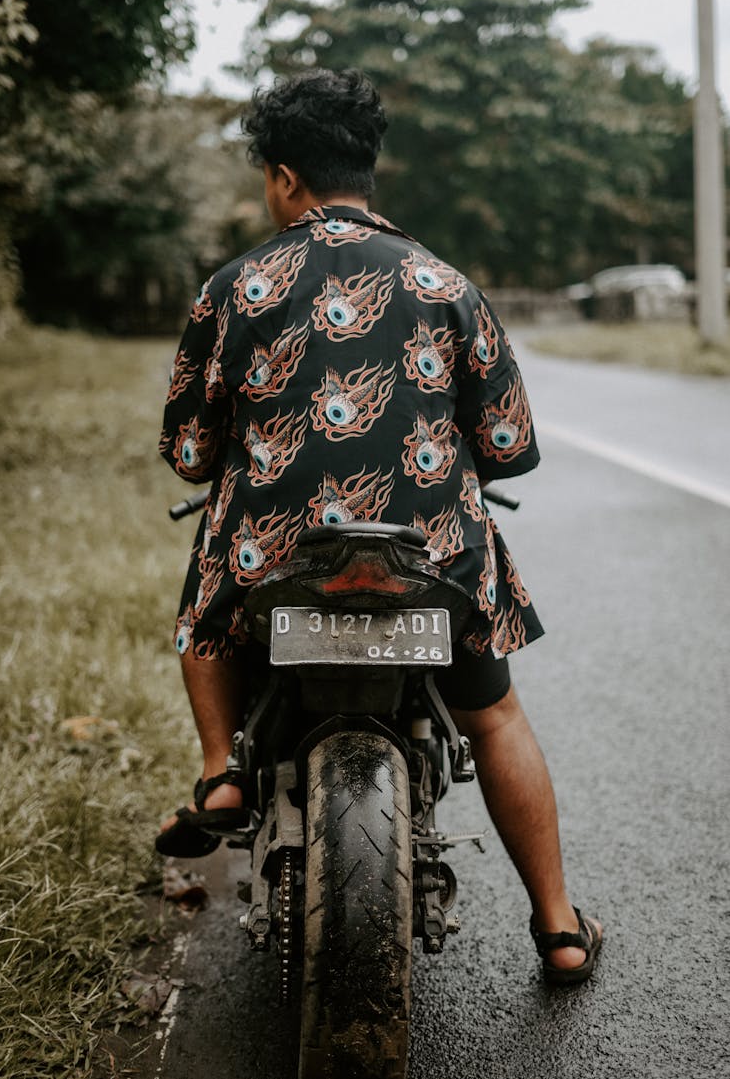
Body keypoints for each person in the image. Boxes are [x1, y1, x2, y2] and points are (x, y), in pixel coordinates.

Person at [156, 68, 602, 985]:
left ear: (284, 178)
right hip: (428, 563)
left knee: (204, 612)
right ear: (369, 168)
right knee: (496, 714)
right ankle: (558, 927)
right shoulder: (447, 282)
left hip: (271, 561)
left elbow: (192, 456)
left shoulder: (232, 289)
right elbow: (508, 446)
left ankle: (220, 771)